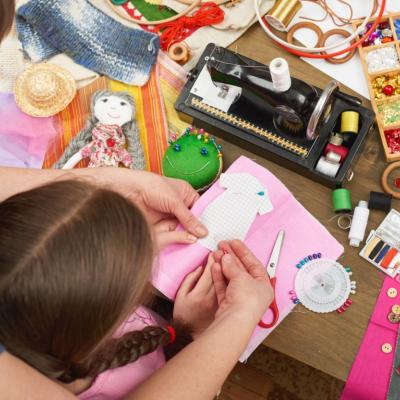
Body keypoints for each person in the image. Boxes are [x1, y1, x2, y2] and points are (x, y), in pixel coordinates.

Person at [0, 178, 273, 399]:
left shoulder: (33, 320)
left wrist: (121, 248)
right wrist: (208, 329)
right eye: (138, 275)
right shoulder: (106, 387)